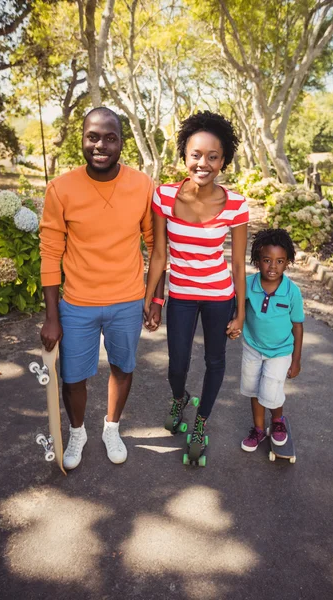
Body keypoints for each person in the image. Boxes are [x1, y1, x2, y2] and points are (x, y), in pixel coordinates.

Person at [39, 106, 164, 470]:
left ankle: (112, 427)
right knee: (73, 377)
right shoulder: (60, 188)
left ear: (121, 143)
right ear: (82, 139)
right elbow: (50, 254)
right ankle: (77, 431)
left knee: (123, 368)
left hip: (127, 300)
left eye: (110, 137)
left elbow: (156, 245)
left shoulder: (141, 184)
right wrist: (52, 317)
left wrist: (156, 297)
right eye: (93, 136)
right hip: (77, 304)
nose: (101, 145)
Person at [144, 111, 248, 463]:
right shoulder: (164, 196)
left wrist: (241, 314)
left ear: (223, 161)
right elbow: (159, 253)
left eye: (213, 156)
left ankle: (201, 422)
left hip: (220, 296)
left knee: (215, 360)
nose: (203, 163)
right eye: (195, 155)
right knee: (177, 364)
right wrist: (152, 299)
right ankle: (180, 398)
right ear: (184, 155)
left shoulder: (235, 204)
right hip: (182, 296)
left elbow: (236, 264)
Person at [240, 228, 304, 452]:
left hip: (281, 351)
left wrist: (296, 361)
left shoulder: (292, 292)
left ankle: (277, 422)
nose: (273, 266)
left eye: (279, 261)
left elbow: (297, 325)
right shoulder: (248, 284)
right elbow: (236, 307)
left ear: (288, 263)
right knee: (253, 389)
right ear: (257, 260)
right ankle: (258, 429)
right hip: (252, 347)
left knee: (271, 389)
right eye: (267, 260)